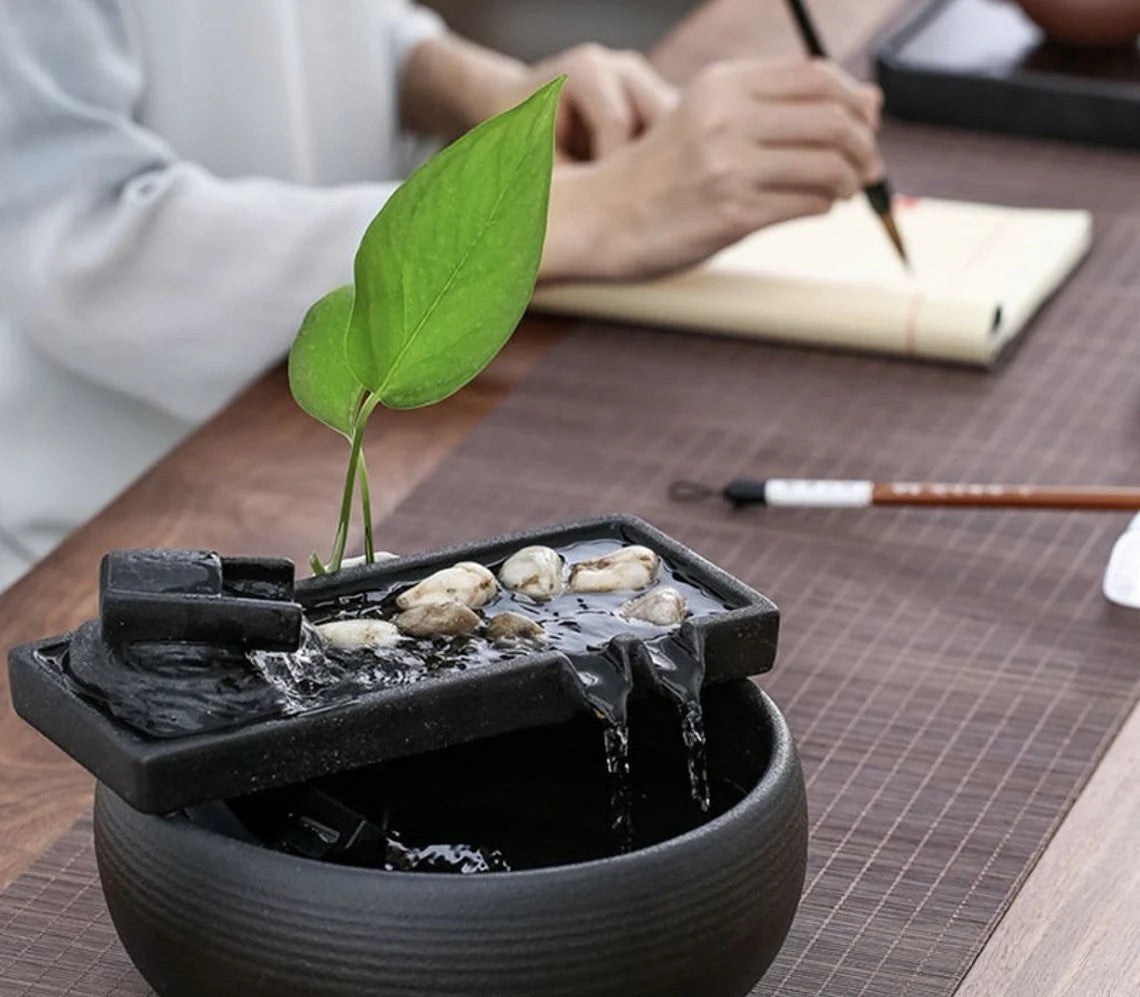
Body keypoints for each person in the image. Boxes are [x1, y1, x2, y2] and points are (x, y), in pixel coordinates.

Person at [0, 0, 883, 589]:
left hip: (328, 466)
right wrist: (586, 212)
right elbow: (75, 239)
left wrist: (484, 91)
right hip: (114, 538)